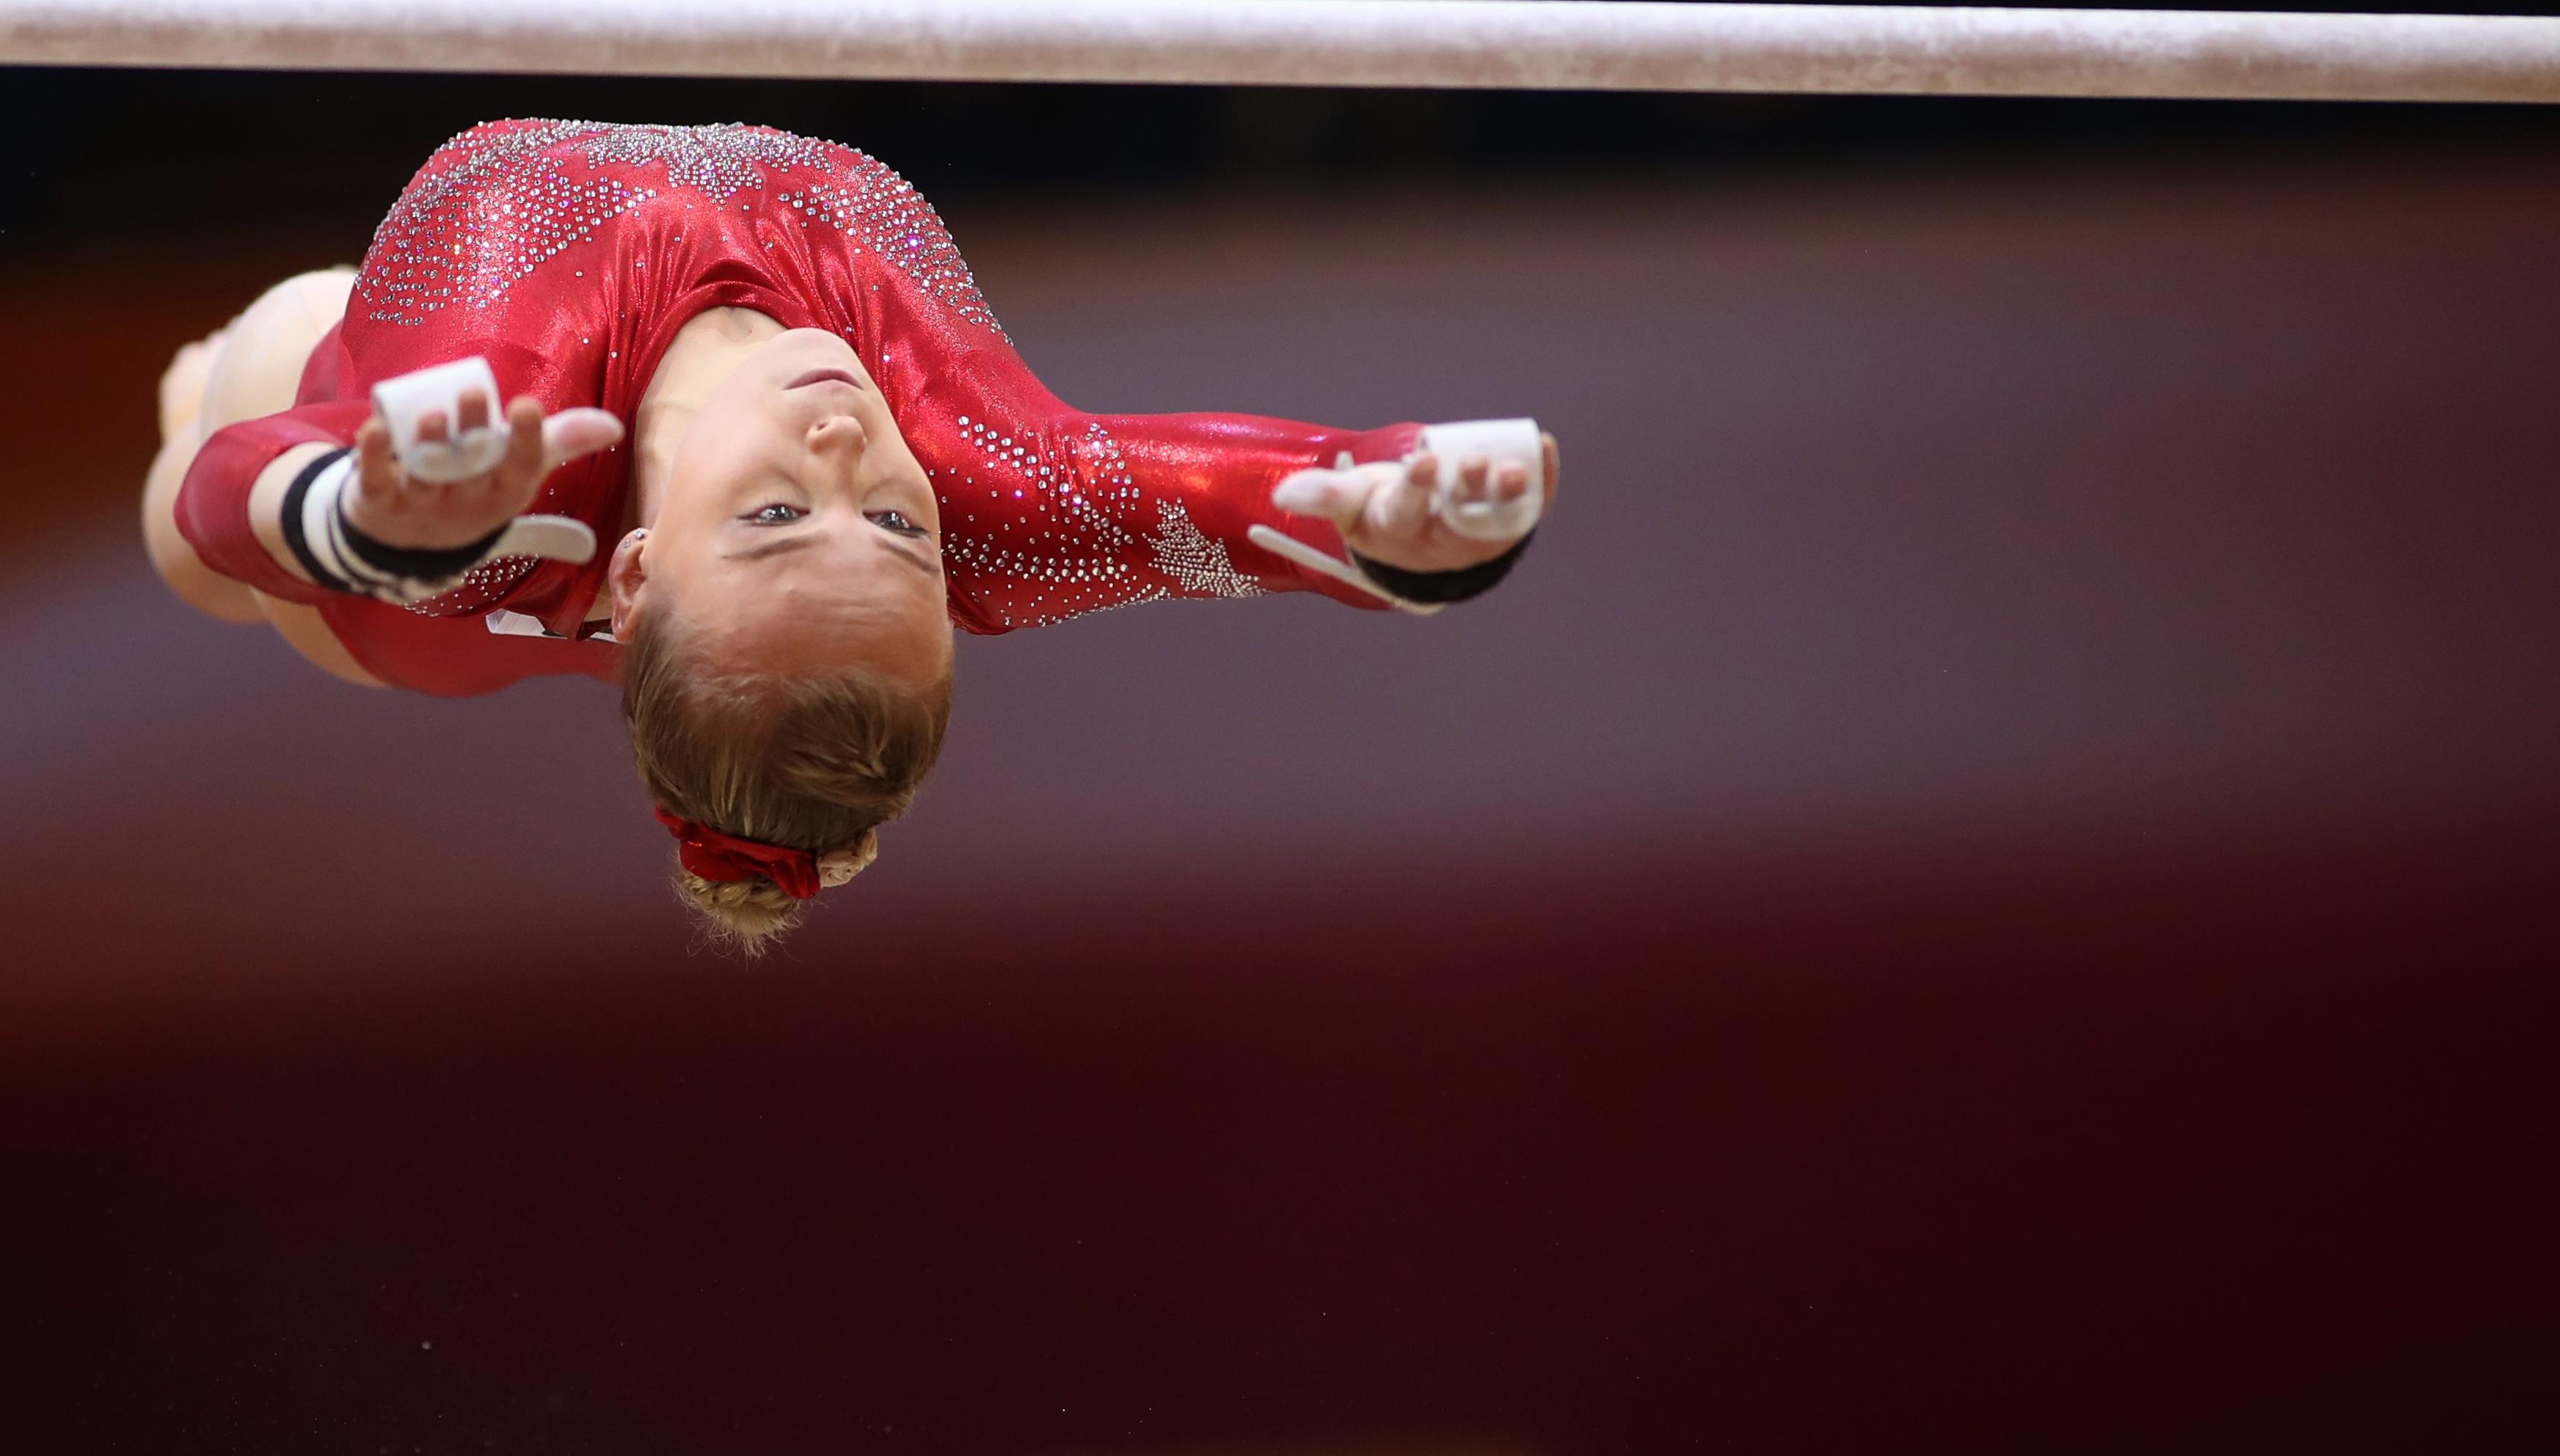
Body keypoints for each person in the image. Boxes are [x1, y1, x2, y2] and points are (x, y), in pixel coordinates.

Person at [141, 120, 1554, 949]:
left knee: (212, 448)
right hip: (605, 610)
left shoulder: (508, 496)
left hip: (396, 611)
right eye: (897, 525)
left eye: (775, 517)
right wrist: (1393, 515)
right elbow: (1259, 515)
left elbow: (235, 487)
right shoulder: (995, 492)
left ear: (634, 570)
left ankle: (266, 431)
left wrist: (369, 525)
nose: (848, 451)